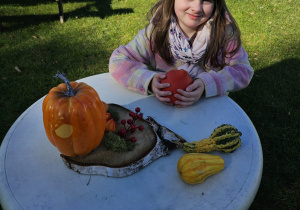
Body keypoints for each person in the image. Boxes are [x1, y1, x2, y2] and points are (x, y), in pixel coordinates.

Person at [109, 0, 253, 108]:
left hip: (209, 107)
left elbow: (243, 70)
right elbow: (118, 60)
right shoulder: (157, 31)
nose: (197, 8)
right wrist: (149, 80)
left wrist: (207, 84)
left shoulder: (223, 33)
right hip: (164, 109)